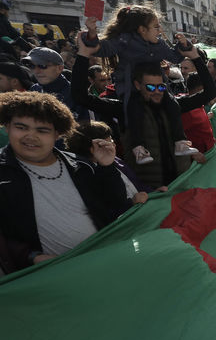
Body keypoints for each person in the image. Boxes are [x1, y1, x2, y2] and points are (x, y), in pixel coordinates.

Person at [0, 91, 127, 275]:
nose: (30, 136)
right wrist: (31, 256)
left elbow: (114, 205)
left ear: (57, 135)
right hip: (46, 279)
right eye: (21, 127)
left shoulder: (81, 165)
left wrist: (107, 168)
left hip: (102, 264)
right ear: (7, 127)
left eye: (42, 130)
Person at [82, 5, 197, 164]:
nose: (159, 30)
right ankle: (139, 149)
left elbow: (175, 57)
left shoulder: (159, 44)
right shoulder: (124, 40)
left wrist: (183, 45)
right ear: (142, 29)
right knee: (133, 110)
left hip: (157, 87)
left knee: (173, 105)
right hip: (131, 87)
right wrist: (92, 34)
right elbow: (102, 49)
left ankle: (180, 143)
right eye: (156, 27)